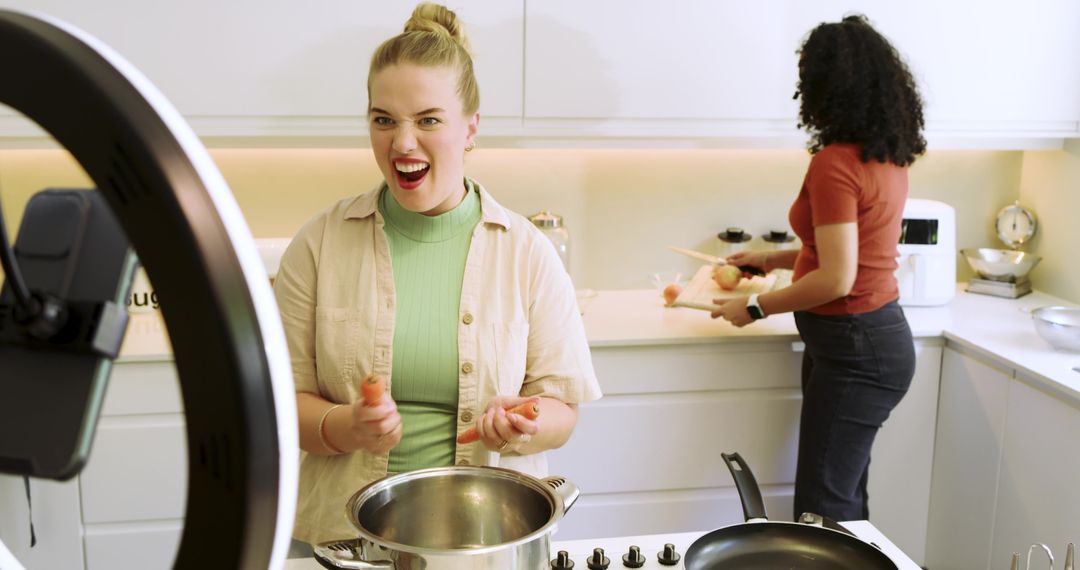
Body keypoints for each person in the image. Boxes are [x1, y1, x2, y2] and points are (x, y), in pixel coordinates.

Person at [273, 3, 601, 546]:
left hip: (487, 538)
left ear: (471, 127)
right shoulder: (319, 243)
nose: (402, 143)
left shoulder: (526, 252)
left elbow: (561, 410)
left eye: (428, 120)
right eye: (384, 120)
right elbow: (284, 402)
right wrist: (343, 427)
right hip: (344, 538)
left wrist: (524, 421)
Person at [711, 14, 925, 522]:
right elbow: (850, 252)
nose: (802, 89)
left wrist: (756, 306)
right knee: (843, 499)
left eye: (809, 77)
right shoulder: (886, 156)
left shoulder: (835, 162)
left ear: (833, 84)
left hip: (856, 347)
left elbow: (836, 279)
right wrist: (771, 258)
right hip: (868, 341)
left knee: (822, 507)